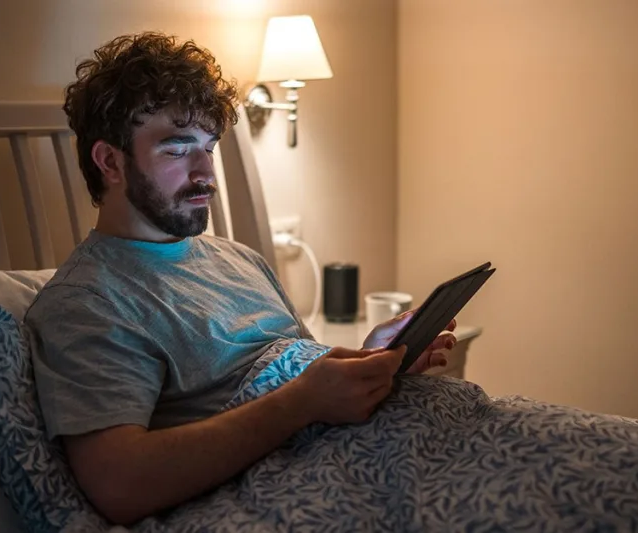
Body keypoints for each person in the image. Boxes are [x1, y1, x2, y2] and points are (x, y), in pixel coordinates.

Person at [24, 32, 456, 526]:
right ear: (110, 161)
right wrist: (304, 401)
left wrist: (372, 364)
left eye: (208, 148)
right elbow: (121, 484)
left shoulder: (239, 259)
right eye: (177, 149)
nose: (206, 173)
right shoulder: (88, 301)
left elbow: (307, 388)